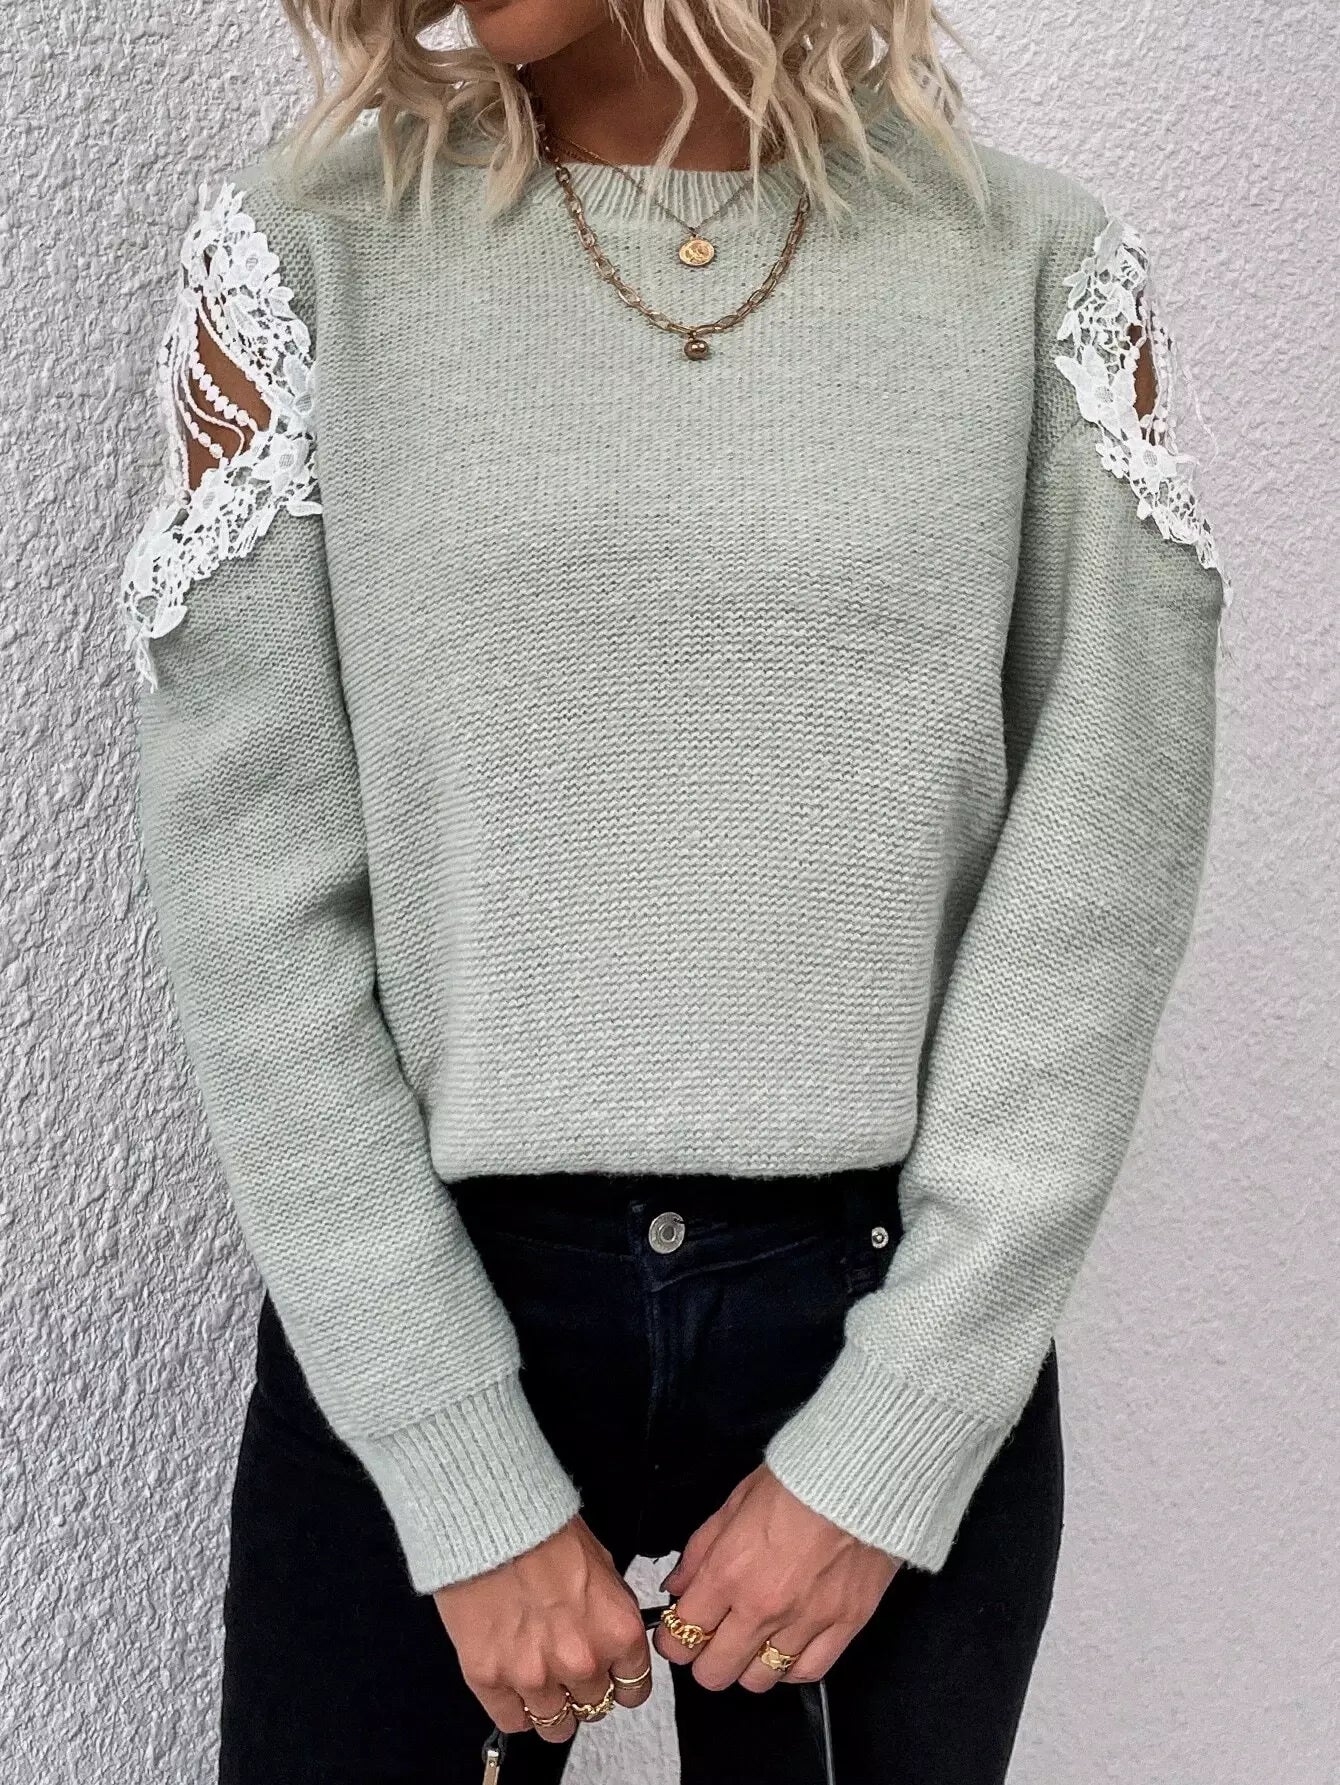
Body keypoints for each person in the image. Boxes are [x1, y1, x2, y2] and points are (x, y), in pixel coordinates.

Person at [115, 0, 1230, 1778]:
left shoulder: (1035, 269)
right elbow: (253, 894)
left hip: (882, 1305)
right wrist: (455, 1461)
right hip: (425, 1302)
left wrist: (894, 1432)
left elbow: (1100, 873)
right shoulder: (302, 254)